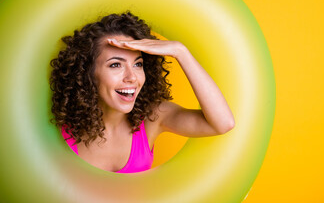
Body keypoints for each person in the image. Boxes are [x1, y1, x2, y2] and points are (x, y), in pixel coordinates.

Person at [50, 11, 235, 174]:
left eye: (138, 64)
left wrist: (180, 52)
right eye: (116, 65)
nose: (132, 77)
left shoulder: (152, 118)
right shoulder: (56, 125)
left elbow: (223, 123)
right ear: (87, 73)